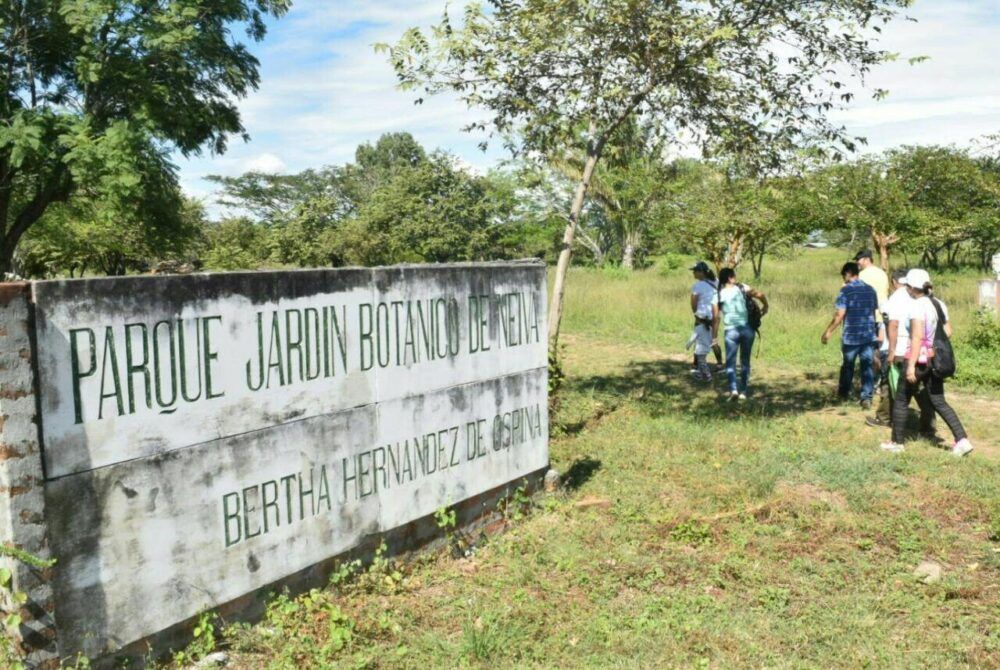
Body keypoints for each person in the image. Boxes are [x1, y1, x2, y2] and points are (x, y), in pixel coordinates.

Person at [881, 269, 973, 457]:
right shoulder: (938, 304)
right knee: (939, 401)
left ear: (911, 287)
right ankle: (962, 440)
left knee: (901, 399)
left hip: (918, 359)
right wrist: (932, 344)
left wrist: (912, 366)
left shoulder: (916, 306)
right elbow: (948, 332)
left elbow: (916, 338)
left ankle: (897, 443)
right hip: (935, 359)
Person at [821, 262, 879, 408]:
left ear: (847, 274)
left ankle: (844, 394)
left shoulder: (845, 291)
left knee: (848, 366)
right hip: (868, 335)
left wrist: (828, 331)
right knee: (867, 367)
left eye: (843, 275)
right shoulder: (871, 290)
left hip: (851, 337)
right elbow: (872, 312)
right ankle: (866, 397)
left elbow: (840, 315)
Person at [711, 268, 768, 400]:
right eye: (734, 276)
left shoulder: (718, 295)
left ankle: (733, 390)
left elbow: (716, 318)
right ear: (731, 278)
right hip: (747, 329)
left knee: (730, 362)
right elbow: (760, 294)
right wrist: (766, 306)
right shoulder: (743, 287)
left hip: (731, 331)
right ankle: (743, 391)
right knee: (745, 361)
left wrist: (714, 337)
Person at [866, 269, 910, 427]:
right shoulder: (918, 296)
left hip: (895, 347)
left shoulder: (895, 298)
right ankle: (927, 423)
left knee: (888, 383)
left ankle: (884, 417)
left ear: (894, 282)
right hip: (915, 348)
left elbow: (891, 324)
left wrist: (890, 350)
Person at [689, 261, 723, 381]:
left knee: (699, 340)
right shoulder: (717, 281)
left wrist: (696, 313)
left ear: (701, 272)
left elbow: (693, 303)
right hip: (715, 316)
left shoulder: (698, 285)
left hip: (702, 317)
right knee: (714, 339)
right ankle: (719, 364)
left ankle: (696, 365)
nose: (693, 273)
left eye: (695, 271)